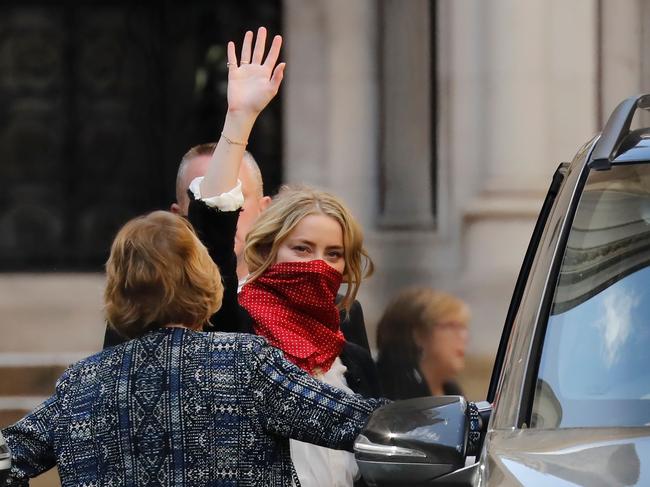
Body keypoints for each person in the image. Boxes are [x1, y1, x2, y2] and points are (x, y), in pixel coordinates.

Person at [1, 27, 387, 487]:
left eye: (333, 254)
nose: (318, 266)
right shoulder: (246, 363)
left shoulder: (80, 385)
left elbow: (10, 456)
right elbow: (369, 425)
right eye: (303, 248)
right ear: (207, 284)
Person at [171, 145, 271, 286]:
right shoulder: (159, 300)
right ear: (178, 217)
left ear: (264, 211)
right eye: (203, 199)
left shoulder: (287, 297)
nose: (220, 213)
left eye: (234, 197)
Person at [375, 287, 470, 400]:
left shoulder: (454, 393)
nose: (464, 337)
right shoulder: (391, 397)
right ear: (417, 334)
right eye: (452, 325)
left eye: (463, 327)